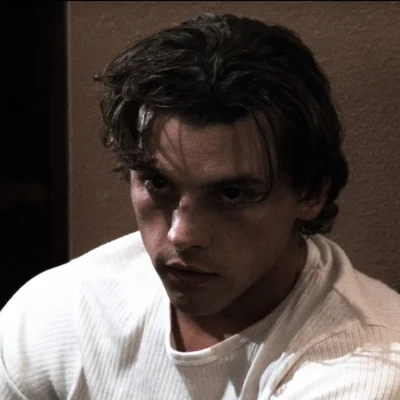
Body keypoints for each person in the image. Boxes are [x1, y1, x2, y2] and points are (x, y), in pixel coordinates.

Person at [1, 12, 399, 400]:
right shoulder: (63, 312)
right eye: (158, 184)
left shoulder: (367, 365)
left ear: (311, 193)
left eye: (231, 195)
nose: (182, 235)